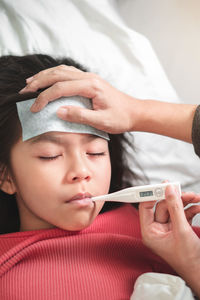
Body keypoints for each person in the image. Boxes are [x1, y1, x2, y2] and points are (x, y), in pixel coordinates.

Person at [2, 54, 199, 300]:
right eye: (50, 155)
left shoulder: (169, 234)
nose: (81, 171)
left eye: (95, 152)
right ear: (5, 176)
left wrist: (191, 262)